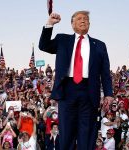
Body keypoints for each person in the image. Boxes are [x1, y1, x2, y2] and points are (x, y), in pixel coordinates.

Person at [39, 10, 113, 149]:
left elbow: (105, 72)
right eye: (79, 18)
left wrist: (108, 94)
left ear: (89, 24)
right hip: (67, 90)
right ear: (72, 24)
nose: (83, 20)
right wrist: (49, 24)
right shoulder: (62, 40)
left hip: (89, 92)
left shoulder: (100, 45)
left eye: (85, 19)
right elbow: (43, 45)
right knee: (66, 133)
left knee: (87, 134)